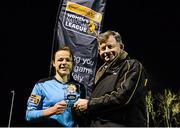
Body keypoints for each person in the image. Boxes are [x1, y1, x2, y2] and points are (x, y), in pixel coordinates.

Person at [74, 30, 149, 127]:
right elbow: (98, 102)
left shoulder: (132, 65)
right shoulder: (100, 73)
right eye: (103, 48)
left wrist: (89, 104)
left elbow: (123, 97)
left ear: (121, 47)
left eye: (110, 46)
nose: (106, 51)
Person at [26, 46, 85, 127]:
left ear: (73, 64)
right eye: (60, 60)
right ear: (54, 63)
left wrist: (80, 112)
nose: (64, 63)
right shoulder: (41, 85)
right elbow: (29, 115)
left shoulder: (80, 87)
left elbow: (81, 117)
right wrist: (52, 111)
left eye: (68, 60)